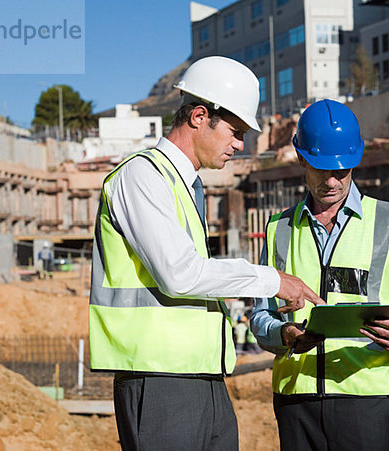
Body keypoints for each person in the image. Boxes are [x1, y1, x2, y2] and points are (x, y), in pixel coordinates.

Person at [88, 56, 324, 451]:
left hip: (202, 375)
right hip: (160, 379)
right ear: (199, 116)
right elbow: (180, 275)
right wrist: (271, 280)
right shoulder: (143, 176)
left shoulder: (184, 185)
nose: (240, 144)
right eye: (235, 131)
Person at [250, 99, 389, 451]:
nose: (333, 181)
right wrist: (284, 333)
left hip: (365, 400)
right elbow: (260, 315)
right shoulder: (279, 229)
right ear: (300, 157)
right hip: (297, 403)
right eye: (322, 170)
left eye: (343, 170)